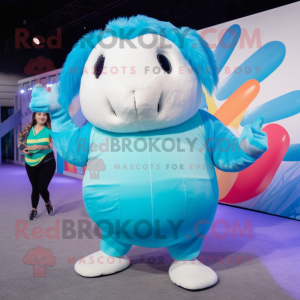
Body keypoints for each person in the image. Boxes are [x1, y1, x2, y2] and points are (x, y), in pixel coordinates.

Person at [22, 112, 56, 220]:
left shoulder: (50, 129)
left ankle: (47, 203)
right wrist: (25, 150)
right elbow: (20, 143)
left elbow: (50, 146)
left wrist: (40, 146)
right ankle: (34, 210)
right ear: (34, 116)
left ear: (47, 117)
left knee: (41, 187)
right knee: (35, 188)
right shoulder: (27, 128)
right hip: (30, 162)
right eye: (39, 114)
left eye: (45, 115)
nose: (42, 117)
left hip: (47, 162)